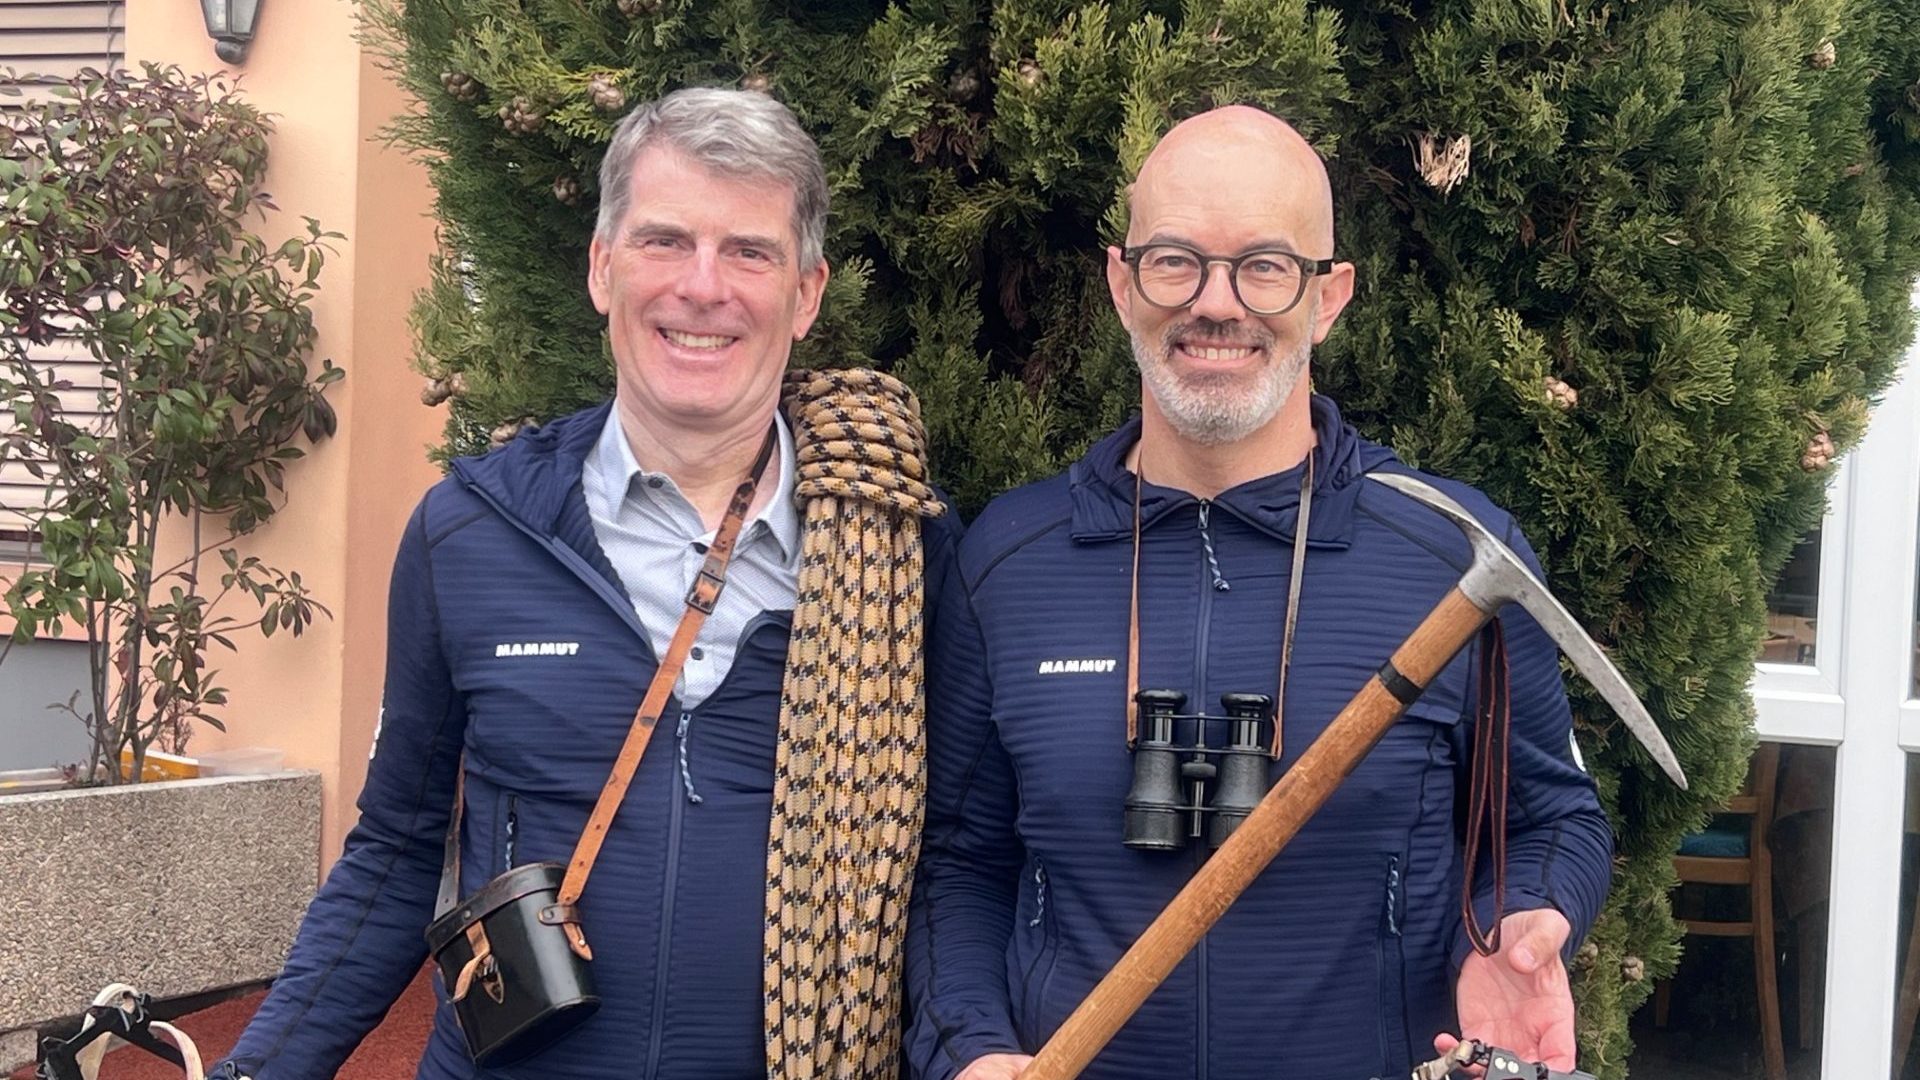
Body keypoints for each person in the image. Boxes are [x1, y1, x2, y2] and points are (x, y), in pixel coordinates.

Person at [212, 87, 954, 1080]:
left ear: (807, 294)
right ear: (602, 268)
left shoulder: (903, 556)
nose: (703, 286)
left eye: (749, 251)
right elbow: (394, 856)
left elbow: (953, 872)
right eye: (663, 242)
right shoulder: (470, 532)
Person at [903, 105, 1612, 1080]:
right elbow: (956, 866)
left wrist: (1519, 930)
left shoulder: (1453, 557)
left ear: (1330, 296)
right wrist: (970, 1050)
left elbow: (1552, 818)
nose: (1216, 303)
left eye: (1266, 266)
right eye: (1175, 260)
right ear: (1121, 281)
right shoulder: (1010, 559)